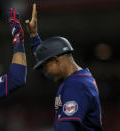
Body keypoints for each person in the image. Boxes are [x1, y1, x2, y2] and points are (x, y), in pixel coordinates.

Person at [25, 3, 104, 131]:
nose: (45, 72)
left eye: (46, 66)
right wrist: (34, 37)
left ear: (56, 60)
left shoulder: (76, 85)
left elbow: (66, 127)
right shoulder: (77, 78)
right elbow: (46, 58)